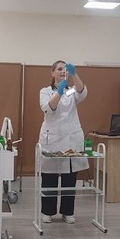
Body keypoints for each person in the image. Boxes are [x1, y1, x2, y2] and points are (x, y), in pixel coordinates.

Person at [38, 61, 87, 223]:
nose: (62, 72)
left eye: (65, 70)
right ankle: (47, 212)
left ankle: (68, 212)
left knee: (70, 178)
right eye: (59, 69)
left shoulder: (71, 91)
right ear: (52, 72)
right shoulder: (45, 91)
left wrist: (75, 74)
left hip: (71, 139)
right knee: (49, 178)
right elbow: (48, 108)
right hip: (52, 139)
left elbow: (82, 92)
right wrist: (59, 92)